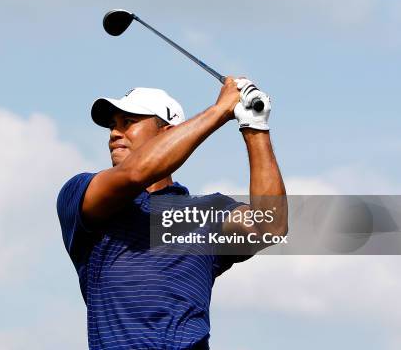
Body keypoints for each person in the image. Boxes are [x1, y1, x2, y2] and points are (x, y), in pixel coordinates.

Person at [56, 77, 287, 349]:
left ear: (167, 132)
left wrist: (255, 126)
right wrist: (220, 110)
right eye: (112, 126)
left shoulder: (205, 213)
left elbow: (270, 227)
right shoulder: (81, 194)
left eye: (128, 122)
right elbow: (136, 173)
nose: (114, 133)